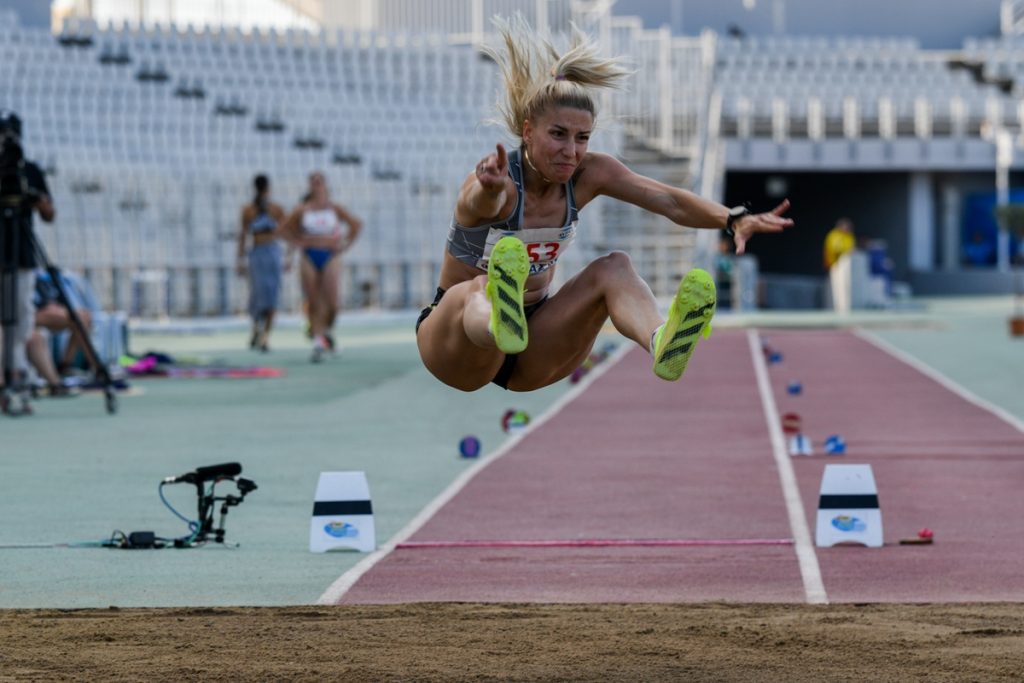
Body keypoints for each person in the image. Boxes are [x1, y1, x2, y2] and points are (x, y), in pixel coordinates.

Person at [415, 18, 792, 392]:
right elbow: (478, 201)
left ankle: (661, 340)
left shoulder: (590, 173)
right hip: (458, 344)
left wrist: (732, 218)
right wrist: (488, 188)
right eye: (558, 135)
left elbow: (670, 201)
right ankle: (499, 319)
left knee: (615, 267)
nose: (571, 151)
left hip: (534, 345)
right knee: (481, 287)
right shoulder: (498, 184)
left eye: (582, 138)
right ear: (528, 132)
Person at [0, 110, 55, 412]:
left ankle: (18, 379)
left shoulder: (29, 171)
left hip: (20, 255)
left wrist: (36, 199)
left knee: (21, 322)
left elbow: (49, 214)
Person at [281, 171, 363, 363]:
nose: (316, 185)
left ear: (325, 185)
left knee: (332, 302)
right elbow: (283, 229)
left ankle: (325, 330)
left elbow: (356, 225)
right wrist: (298, 242)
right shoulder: (302, 209)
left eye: (319, 182)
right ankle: (318, 340)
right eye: (313, 182)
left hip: (330, 255)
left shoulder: (334, 209)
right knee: (313, 299)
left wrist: (344, 245)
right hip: (309, 255)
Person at [236, 174, 288, 352]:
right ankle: (258, 330)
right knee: (258, 295)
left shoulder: (275, 209)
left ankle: (265, 335)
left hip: (270, 251)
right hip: (258, 253)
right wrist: (241, 259)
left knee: (271, 293)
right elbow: (243, 235)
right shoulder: (249, 210)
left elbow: (286, 230)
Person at [823, 218, 855, 314]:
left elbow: (852, 250)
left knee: (845, 292)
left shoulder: (850, 236)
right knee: (835, 291)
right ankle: (835, 312)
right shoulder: (834, 235)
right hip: (835, 266)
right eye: (845, 226)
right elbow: (834, 249)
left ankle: (843, 312)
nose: (847, 229)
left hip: (847, 268)